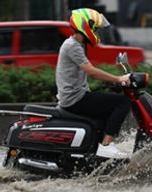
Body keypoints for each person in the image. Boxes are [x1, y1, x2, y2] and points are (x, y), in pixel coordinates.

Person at [56, 8, 133, 160]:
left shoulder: (78, 44)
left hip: (76, 95)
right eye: (95, 29)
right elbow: (91, 71)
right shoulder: (72, 46)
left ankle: (97, 151)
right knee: (123, 102)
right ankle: (106, 146)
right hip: (74, 99)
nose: (97, 32)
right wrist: (118, 79)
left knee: (107, 110)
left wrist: (112, 82)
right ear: (85, 26)